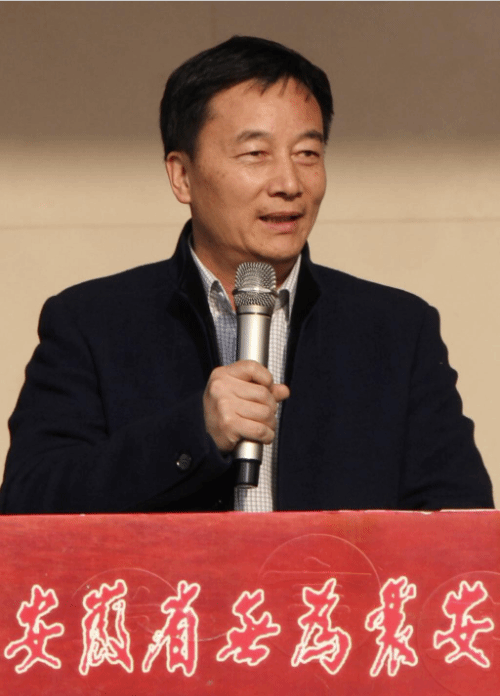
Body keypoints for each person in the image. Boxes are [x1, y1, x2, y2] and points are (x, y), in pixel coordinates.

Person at [0, 36, 494, 514]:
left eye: (308, 153)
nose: (289, 183)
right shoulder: (92, 323)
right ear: (182, 176)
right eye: (256, 154)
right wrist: (193, 434)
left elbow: (461, 524)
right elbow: (29, 501)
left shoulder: (397, 330)